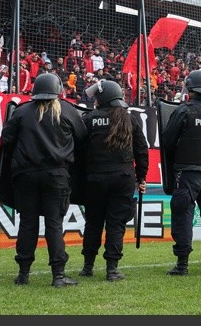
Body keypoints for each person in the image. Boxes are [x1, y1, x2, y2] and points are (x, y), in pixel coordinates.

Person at [0, 72, 88, 287]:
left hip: (25, 176)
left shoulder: (21, 112)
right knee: (54, 225)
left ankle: (23, 274)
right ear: (57, 89)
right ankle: (58, 275)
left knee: (27, 224)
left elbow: (6, 141)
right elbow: (83, 139)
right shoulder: (68, 110)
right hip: (56, 176)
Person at [78, 80, 148, 281]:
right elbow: (141, 151)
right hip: (123, 178)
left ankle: (88, 266)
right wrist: (141, 177)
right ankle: (112, 269)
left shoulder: (89, 119)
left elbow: (80, 150)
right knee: (116, 224)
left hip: (94, 178)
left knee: (93, 223)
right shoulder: (130, 119)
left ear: (102, 98)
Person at [162, 69, 201, 276]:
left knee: (183, 215)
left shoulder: (184, 111)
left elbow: (168, 141)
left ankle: (182, 264)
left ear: (191, 89)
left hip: (188, 172)